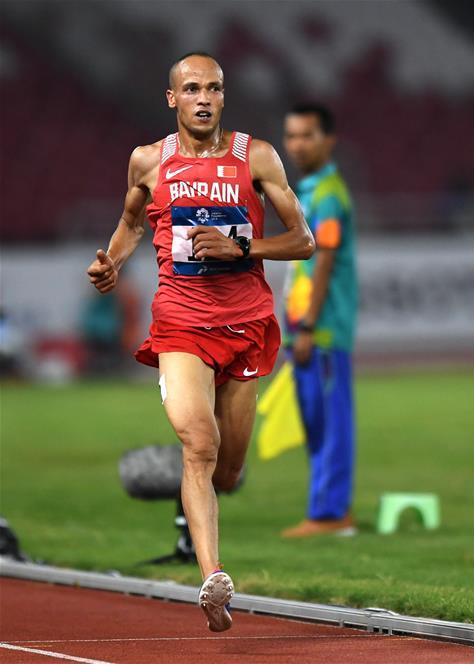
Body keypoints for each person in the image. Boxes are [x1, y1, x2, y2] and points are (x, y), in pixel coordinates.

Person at [86, 52, 315, 632]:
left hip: (245, 325)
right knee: (200, 442)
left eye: (213, 87)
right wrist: (112, 262)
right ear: (173, 99)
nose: (204, 98)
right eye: (192, 89)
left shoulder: (255, 156)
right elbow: (134, 223)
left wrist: (241, 249)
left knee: (229, 470)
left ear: (223, 95)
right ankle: (213, 578)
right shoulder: (148, 160)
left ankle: (185, 489)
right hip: (182, 324)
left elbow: (302, 241)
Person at [280, 103, 358, 538]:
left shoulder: (328, 194)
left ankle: (331, 515)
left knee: (330, 420)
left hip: (322, 327)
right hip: (304, 324)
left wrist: (308, 325)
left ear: (329, 140)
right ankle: (327, 509)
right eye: (291, 136)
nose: (297, 144)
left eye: (307, 135)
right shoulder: (309, 191)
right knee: (314, 419)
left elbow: (324, 258)